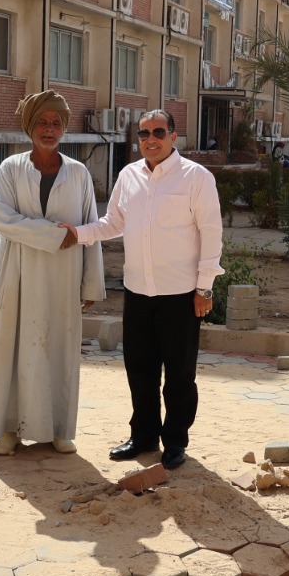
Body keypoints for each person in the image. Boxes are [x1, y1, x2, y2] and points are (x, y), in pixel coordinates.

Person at [61, 109, 222, 470]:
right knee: (139, 369)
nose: (151, 139)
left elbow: (212, 234)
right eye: (144, 133)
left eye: (158, 132)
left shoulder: (196, 177)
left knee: (179, 375)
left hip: (181, 295)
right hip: (137, 292)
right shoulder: (129, 175)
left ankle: (175, 441)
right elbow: (113, 223)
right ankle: (144, 437)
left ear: (173, 137)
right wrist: (78, 233)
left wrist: (205, 288)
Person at [0, 90, 105, 456]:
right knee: (10, 350)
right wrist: (57, 236)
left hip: (63, 277)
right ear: (30, 127)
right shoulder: (10, 169)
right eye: (42, 122)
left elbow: (90, 227)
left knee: (58, 349)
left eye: (56, 123)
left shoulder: (78, 173)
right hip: (17, 275)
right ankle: (8, 429)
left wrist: (91, 284)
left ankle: (59, 429)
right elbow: (4, 220)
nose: (49, 129)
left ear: (63, 128)